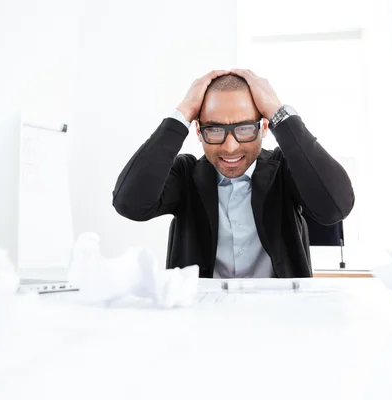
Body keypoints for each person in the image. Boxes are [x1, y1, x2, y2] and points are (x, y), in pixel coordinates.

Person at [112, 69, 354, 278]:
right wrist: (183, 113)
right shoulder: (186, 175)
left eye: (245, 128)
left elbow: (335, 207)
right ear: (199, 131)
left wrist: (280, 113)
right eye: (215, 130)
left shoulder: (284, 169)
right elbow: (129, 203)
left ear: (265, 127)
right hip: (200, 319)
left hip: (282, 318)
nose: (230, 146)